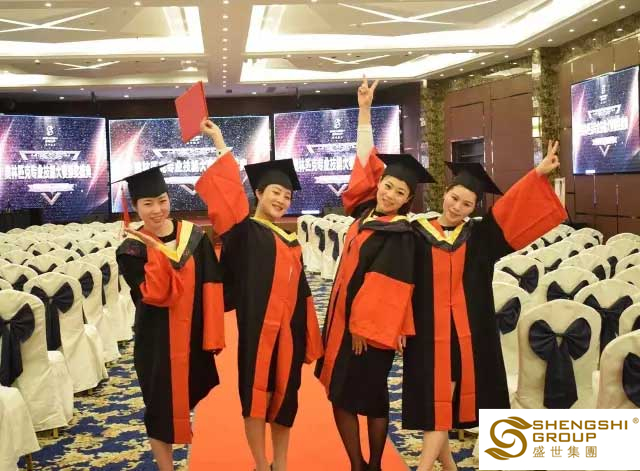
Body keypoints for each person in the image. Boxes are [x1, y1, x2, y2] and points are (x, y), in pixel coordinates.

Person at [402, 142, 568, 471]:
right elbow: (401, 280)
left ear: (475, 207)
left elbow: (512, 208)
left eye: (467, 203)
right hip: (426, 331)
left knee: (441, 404)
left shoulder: (480, 236)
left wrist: (537, 173)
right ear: (445, 193)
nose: (457, 207)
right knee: (436, 402)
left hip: (465, 333)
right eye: (454, 198)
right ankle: (449, 465)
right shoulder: (416, 233)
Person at [314, 77, 433, 471]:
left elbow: (388, 286)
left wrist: (362, 327)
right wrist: (364, 111)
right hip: (345, 325)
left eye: (399, 192)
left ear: (408, 199)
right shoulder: (365, 214)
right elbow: (364, 160)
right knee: (356, 395)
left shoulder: (399, 232)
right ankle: (362, 465)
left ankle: (370, 465)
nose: (389, 193)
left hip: (366, 332)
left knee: (362, 397)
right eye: (387, 185)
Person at [195, 118, 324, 471]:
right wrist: (219, 143)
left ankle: (280, 463)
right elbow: (228, 198)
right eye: (275, 192)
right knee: (255, 399)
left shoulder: (292, 242)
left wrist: (310, 337)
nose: (281, 199)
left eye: (287, 196)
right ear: (259, 193)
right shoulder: (245, 232)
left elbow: (304, 292)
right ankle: (260, 462)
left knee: (286, 402)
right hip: (257, 332)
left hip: (289, 334)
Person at [115, 166, 225, 471]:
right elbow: (155, 294)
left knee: (188, 396)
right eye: (147, 203)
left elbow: (212, 285)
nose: (157, 209)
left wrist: (213, 334)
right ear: (135, 206)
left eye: (162, 200)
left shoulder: (194, 236)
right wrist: (157, 252)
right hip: (156, 341)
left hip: (193, 337)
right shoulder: (131, 250)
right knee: (159, 408)